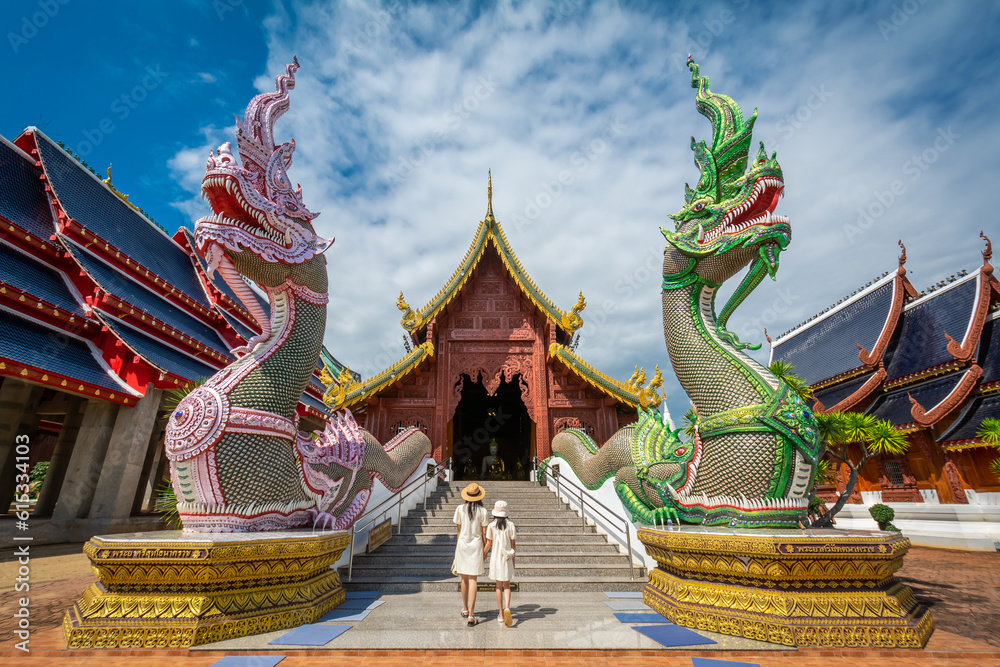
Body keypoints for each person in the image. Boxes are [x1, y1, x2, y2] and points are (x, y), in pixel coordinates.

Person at [453, 482, 489, 626]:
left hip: (462, 545)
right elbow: (485, 533)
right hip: (476, 545)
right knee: (473, 578)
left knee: (464, 578)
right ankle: (472, 616)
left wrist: (459, 546)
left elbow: (458, 531)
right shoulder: (483, 511)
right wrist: (486, 549)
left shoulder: (459, 509)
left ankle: (465, 609)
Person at [483, 499, 516, 627]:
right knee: (507, 585)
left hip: (496, 559)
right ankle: (507, 607)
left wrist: (483, 554)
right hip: (507, 559)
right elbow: (513, 546)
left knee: (498, 586)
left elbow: (488, 544)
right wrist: (514, 560)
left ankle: (501, 615)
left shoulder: (491, 526)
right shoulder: (511, 525)